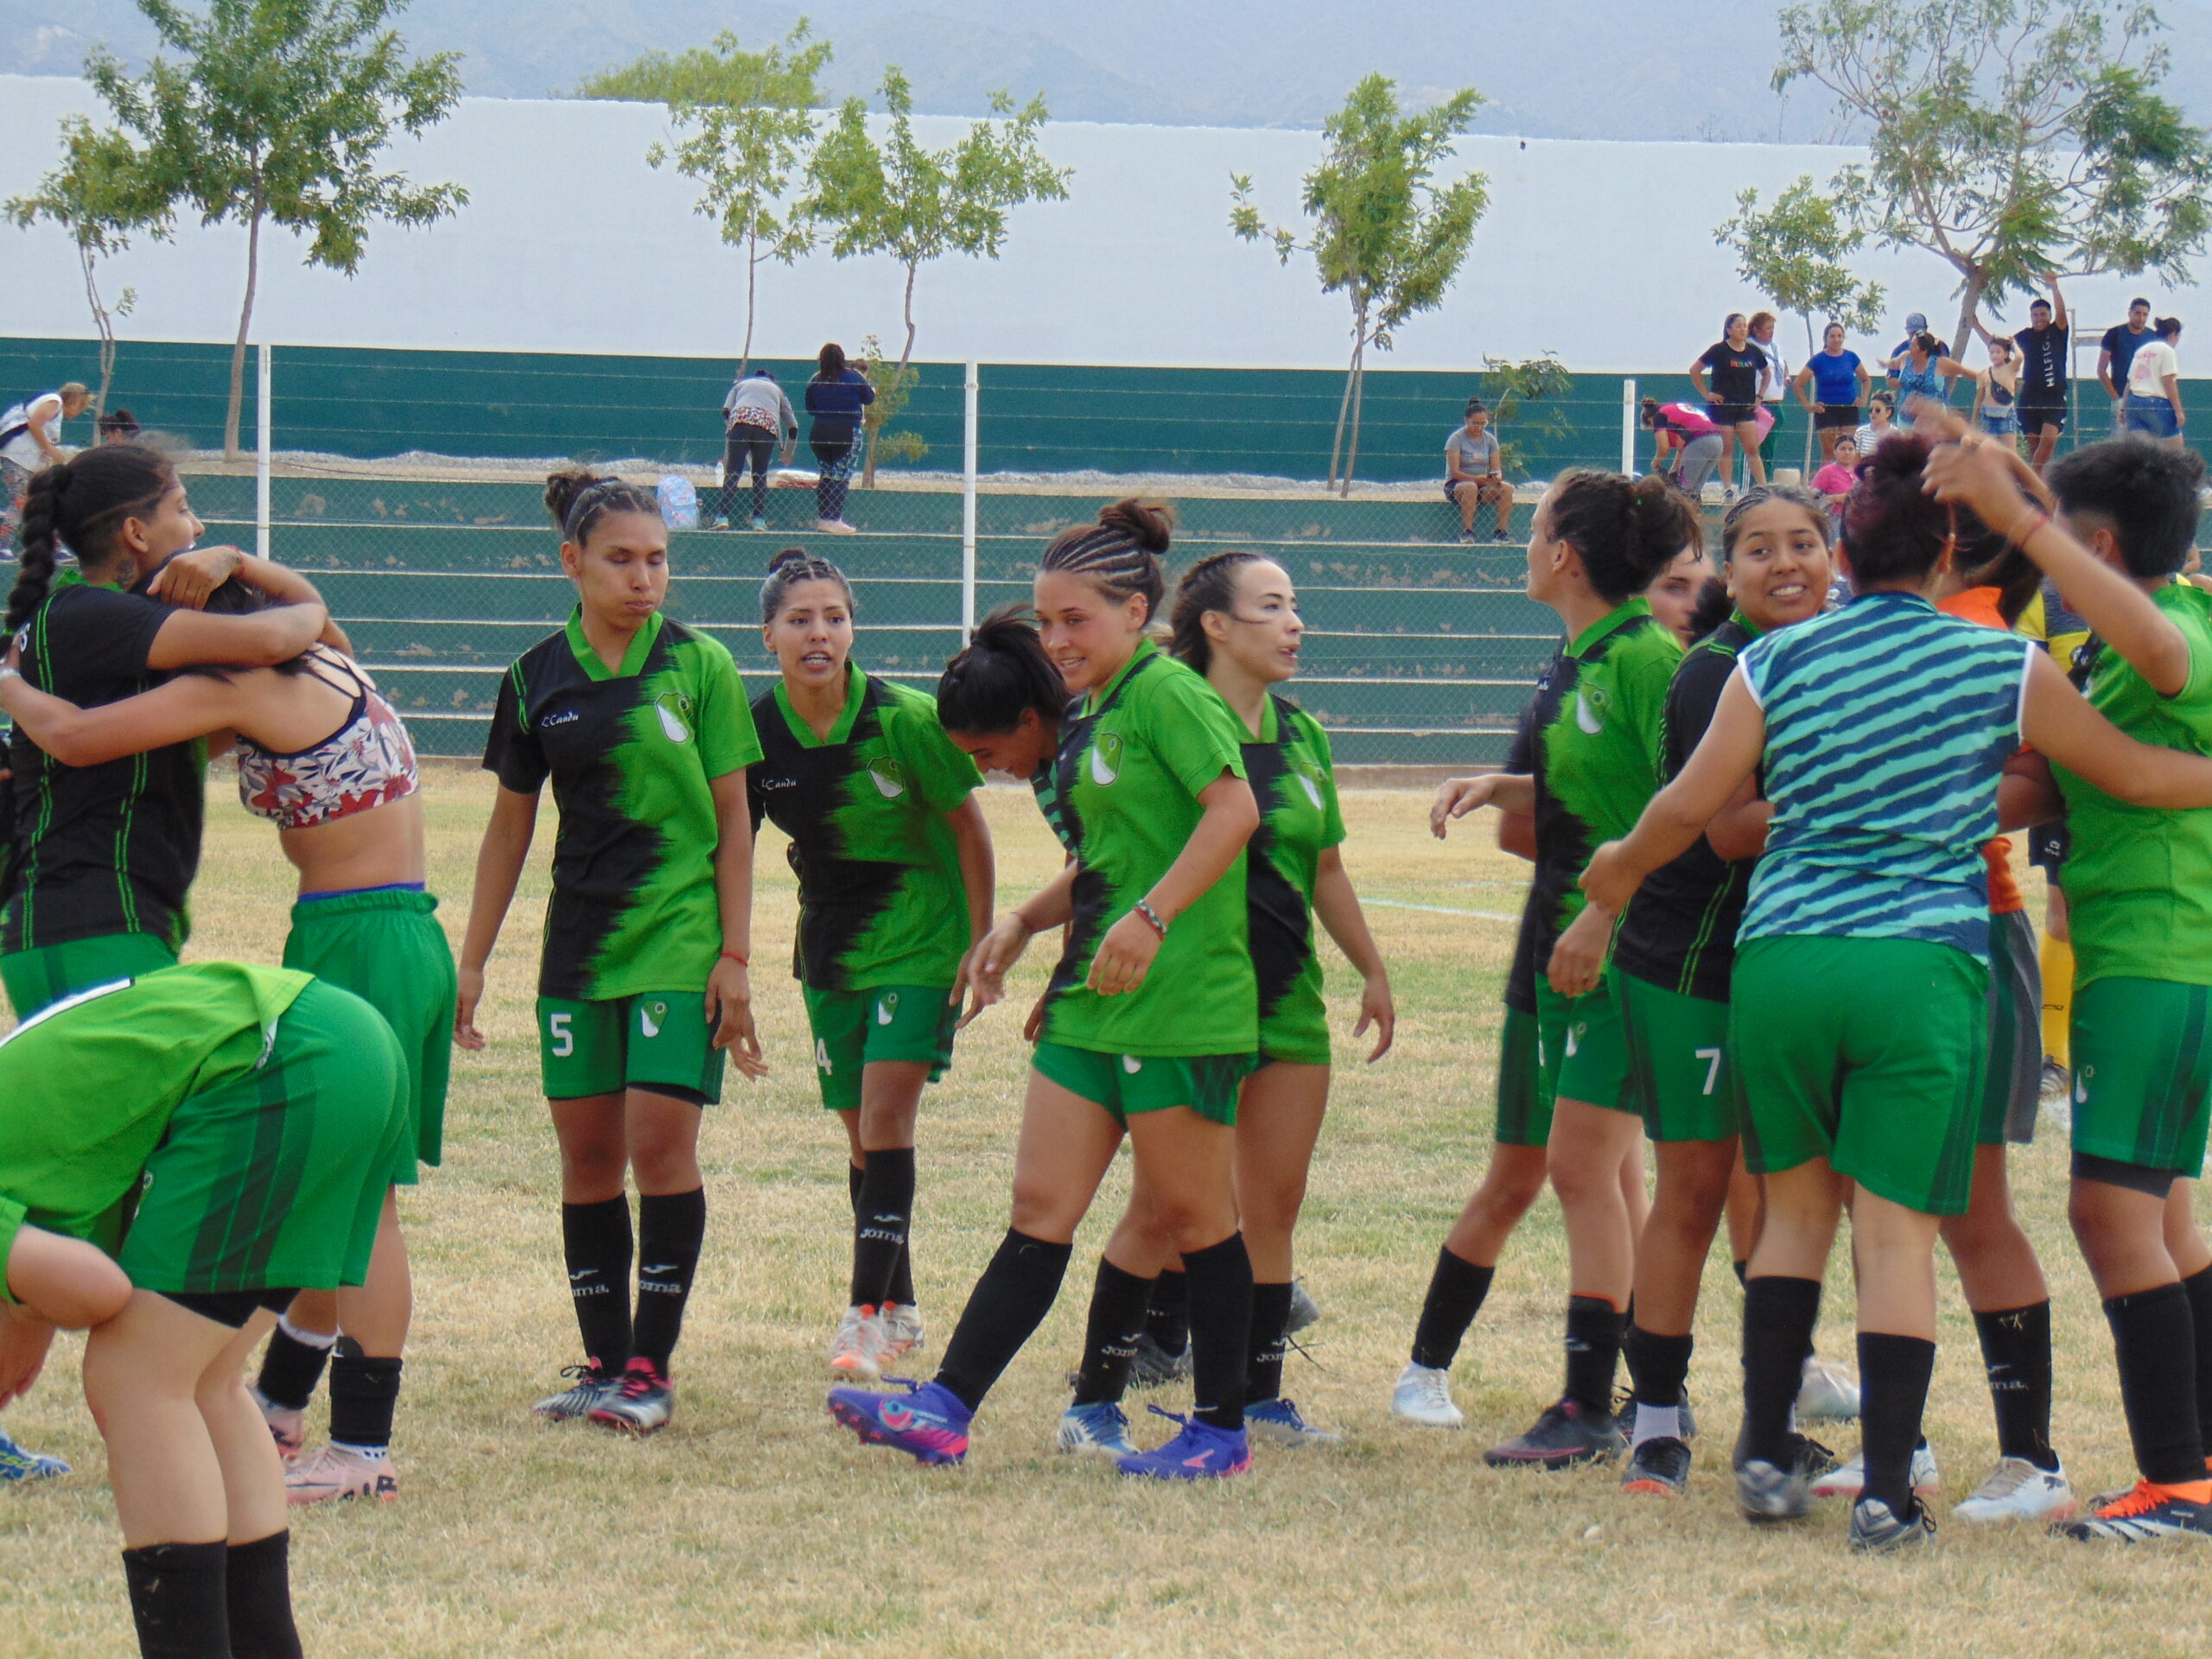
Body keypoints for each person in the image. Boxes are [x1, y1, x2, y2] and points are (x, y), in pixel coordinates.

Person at [1573, 429, 2212, 1553]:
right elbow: (2127, 773)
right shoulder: (1990, 660)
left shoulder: (1797, 660)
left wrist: (1618, 873)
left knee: (1837, 1210)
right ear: (1944, 548)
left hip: (1827, 958)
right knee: (1911, 1226)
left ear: (1845, 554)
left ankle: (1804, 1450)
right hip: (1930, 960)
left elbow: (1692, 815)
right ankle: (1895, 1484)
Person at [827, 500, 1265, 1480]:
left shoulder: (1166, 695)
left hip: (1183, 999)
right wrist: (1023, 924)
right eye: (1048, 619)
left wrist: (1149, 920)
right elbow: (1110, 854)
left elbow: (1233, 813)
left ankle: (1222, 1432)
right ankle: (945, 1408)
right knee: (1039, 1204)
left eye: (1076, 619)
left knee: (1199, 1223)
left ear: (1138, 609)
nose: (1057, 640)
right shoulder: (1102, 710)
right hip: (1093, 1004)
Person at [0, 564, 450, 1510]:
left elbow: (75, 737)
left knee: (364, 1205)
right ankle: (286, 1408)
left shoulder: (249, 679)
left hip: (357, 930)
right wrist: (247, 566)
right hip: (394, 927)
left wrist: (8, 678)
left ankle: (363, 1445)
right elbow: (310, 609)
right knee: (337, 1191)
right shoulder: (331, 663)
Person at [1052, 550, 1395, 1457]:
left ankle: (1256, 1397)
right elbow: (1109, 866)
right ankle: (1096, 1394)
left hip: (1284, 1003)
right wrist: (1026, 926)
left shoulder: (1303, 734)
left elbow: (1323, 866)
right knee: (1165, 1208)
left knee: (1273, 1205)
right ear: (1215, 625)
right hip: (1193, 1001)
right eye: (1272, 606)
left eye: (1296, 606)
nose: (1294, 624)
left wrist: (1371, 967)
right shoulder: (1168, 714)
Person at [456, 468, 767, 1436]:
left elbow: (734, 817)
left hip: (678, 944)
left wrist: (738, 958)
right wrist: (469, 963)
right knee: (587, 1157)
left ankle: (649, 1368)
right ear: (572, 563)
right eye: (622, 560)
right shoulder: (534, 677)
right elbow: (508, 830)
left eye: (658, 560)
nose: (644, 578)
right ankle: (599, 1361)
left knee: (656, 1146)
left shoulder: (701, 666)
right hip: (578, 952)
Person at [1541, 486, 1834, 1498]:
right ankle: (1657, 1422)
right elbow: (1722, 830)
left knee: (1786, 1194)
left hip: (1785, 962)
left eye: (1804, 542)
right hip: (1694, 962)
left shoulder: (1825, 654)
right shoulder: (1720, 670)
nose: (1785, 563)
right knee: (1698, 1190)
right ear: (1727, 571)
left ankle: (1775, 1419)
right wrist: (1867, 788)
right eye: (1759, 548)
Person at [1399, 471, 1694, 1464]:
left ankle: (1589, 1404)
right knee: (1602, 1174)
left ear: (1564, 554)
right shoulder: (1585, 656)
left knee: (1578, 1169)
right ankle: (1646, 1391)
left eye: (1534, 532)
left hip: (1618, 948)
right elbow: (1597, 783)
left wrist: (1605, 919)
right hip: (1570, 942)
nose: (1527, 546)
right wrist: (1504, 783)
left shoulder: (1649, 659)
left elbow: (1681, 810)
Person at [0, 960, 407, 1659]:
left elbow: (97, 1290)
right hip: (333, 1043)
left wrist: (26, 1300)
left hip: (285, 1060)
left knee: (135, 1378)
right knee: (204, 1384)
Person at [2005, 434, 2212, 1541]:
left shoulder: (2172, 627)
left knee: (2109, 1210)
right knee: (2166, 1216)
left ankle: (2174, 1484)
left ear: (2090, 544)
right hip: (2150, 957)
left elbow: (2162, 655)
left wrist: (2027, 522)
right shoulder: (2134, 641)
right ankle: (2201, 1464)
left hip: (2156, 958)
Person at [746, 547, 993, 1382]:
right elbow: (729, 852)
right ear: (769, 635)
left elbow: (969, 828)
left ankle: (863, 1318)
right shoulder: (754, 732)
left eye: (836, 617)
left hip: (920, 938)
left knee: (887, 1122)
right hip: (830, 947)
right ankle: (905, 1306)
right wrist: (727, 961)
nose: (821, 633)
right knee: (860, 1136)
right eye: (801, 619)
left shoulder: (904, 720)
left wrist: (982, 942)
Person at [1, 444, 336, 1018]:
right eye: (183, 508)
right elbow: (277, 640)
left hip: (99, 928)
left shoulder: (88, 621)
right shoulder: (90, 615)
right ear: (136, 531)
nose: (198, 527)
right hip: (91, 927)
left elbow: (316, 660)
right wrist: (244, 565)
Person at [0, 382, 89, 554]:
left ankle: (54, 547)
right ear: (77, 402)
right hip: (18, 458)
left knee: (46, 503)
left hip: (28, 462)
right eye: (82, 407)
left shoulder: (56, 409)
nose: (79, 412)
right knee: (19, 503)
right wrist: (51, 450)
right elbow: (35, 424)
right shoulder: (54, 402)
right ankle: (3, 545)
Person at [1690, 314, 1770, 491]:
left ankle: (1764, 488)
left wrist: (1759, 397)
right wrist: (1706, 393)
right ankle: (1727, 489)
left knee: (1752, 449)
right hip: (1723, 409)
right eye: (1738, 326)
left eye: (1745, 325)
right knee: (1727, 449)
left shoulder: (1753, 351)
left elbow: (1766, 373)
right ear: (1729, 330)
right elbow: (1695, 370)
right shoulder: (1719, 350)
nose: (1743, 329)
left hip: (1745, 408)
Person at [714, 368, 798, 531]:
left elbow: (726, 410)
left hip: (740, 421)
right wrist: (788, 452)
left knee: (733, 472)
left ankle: (723, 517)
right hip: (766, 426)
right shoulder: (778, 391)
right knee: (759, 475)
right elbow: (793, 426)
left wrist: (733, 429)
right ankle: (758, 520)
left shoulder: (741, 385)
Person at [804, 343, 874, 534]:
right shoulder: (854, 377)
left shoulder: (815, 380)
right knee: (841, 475)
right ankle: (835, 519)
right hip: (847, 430)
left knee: (826, 474)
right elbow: (868, 399)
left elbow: (810, 408)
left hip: (820, 431)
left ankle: (824, 520)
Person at [2013, 276, 2071, 471]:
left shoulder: (2058, 331)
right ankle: (2039, 489)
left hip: (2054, 397)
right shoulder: (2025, 336)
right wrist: (1975, 324)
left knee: (2048, 442)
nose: (2039, 318)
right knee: (2033, 444)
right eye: (2035, 315)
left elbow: (2062, 315)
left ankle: (2033, 483)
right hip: (2029, 397)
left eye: (2043, 314)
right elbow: (1998, 345)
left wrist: (2054, 288)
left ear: (2049, 314)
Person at [1793, 322, 1870, 464]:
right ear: (1826, 338)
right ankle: (1826, 484)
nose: (1836, 339)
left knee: (1849, 449)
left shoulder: (1851, 357)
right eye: (1832, 336)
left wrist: (1863, 399)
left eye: (1840, 336)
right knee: (1829, 451)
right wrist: (1809, 406)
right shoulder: (1818, 360)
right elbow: (1798, 384)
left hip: (1849, 409)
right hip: (1826, 411)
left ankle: (1848, 483)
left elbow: (1866, 380)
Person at [1446, 399, 1511, 542]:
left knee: (1506, 488)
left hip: (1482, 484)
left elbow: (1496, 468)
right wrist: (1477, 479)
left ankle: (1501, 532)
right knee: (1470, 487)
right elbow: (1454, 472)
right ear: (1467, 421)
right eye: (1475, 423)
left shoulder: (1490, 440)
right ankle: (1467, 532)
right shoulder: (1456, 439)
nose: (1479, 427)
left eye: (1483, 424)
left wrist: (1496, 478)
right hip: (1458, 484)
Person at [2121, 318, 2185, 447]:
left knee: (2144, 455)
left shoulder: (2142, 350)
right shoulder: (2167, 351)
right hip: (2156, 404)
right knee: (2175, 456)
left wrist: (2123, 409)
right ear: (2173, 334)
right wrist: (2178, 411)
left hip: (2133, 404)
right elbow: (2168, 381)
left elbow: (2130, 382)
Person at [2100, 298, 2158, 437]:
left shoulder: (2152, 336)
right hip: (2121, 399)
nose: (2141, 318)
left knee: (2145, 445)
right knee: (2118, 445)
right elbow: (2101, 369)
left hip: (2146, 400)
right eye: (2138, 313)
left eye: (2145, 315)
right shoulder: (2114, 334)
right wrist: (2116, 398)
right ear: (2130, 313)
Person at [1643, 399, 1725, 496]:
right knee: (1694, 492)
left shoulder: (1659, 417)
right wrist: (1674, 469)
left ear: (1650, 420)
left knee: (1683, 493)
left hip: (1699, 441)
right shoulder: (1673, 411)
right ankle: (1696, 510)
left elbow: (1664, 448)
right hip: (1717, 440)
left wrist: (1655, 462)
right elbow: (1682, 448)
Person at [1884, 333, 1967, 428]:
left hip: (1932, 420)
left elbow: (1964, 371)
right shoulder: (1905, 357)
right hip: (1906, 420)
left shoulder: (1939, 363)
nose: (1910, 347)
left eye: (1914, 345)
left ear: (1923, 350)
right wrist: (1885, 364)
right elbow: (1892, 372)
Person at [1749, 312, 1790, 479]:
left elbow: (1782, 364)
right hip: (1760, 404)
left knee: (1769, 448)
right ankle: (1752, 482)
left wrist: (1786, 379)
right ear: (1757, 330)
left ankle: (1765, 480)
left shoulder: (1775, 347)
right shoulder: (1750, 347)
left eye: (1773, 328)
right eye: (1768, 328)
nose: (1771, 331)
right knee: (1754, 447)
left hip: (1775, 402)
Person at [1971, 334, 2023, 448]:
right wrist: (1974, 420)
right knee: (1985, 450)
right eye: (1991, 352)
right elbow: (1979, 397)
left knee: (2010, 451)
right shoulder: (1983, 373)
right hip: (1988, 416)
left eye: (1998, 352)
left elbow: (2020, 357)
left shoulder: (2010, 368)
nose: (1994, 355)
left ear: (2006, 354)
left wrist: (2014, 345)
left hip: (2006, 414)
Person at [1810, 437, 1859, 524]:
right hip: (1834, 519)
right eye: (1842, 449)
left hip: (1856, 518)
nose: (1847, 453)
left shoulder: (1858, 473)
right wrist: (1837, 498)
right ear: (1835, 452)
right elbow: (1813, 499)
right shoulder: (1826, 472)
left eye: (1851, 449)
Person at [1854, 392, 1900, 460]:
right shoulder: (1860, 432)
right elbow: (1855, 459)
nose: (1873, 413)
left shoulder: (1897, 434)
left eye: (1877, 410)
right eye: (1870, 410)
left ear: (1888, 413)